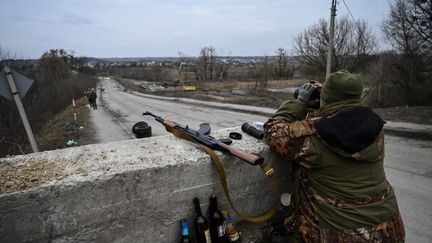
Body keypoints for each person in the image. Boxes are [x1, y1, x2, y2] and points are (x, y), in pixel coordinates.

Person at [263, 70, 405, 242]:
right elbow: (343, 122)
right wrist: (323, 110)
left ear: (326, 98)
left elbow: (273, 132)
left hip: (339, 234)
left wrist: (300, 102)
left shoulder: (315, 134)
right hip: (388, 230)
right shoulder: (375, 126)